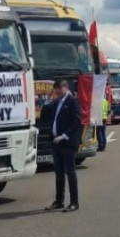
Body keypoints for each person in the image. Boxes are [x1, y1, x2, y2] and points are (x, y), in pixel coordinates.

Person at [41, 79, 82, 212]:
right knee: (59, 173)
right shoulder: (56, 102)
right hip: (56, 142)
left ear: (66, 87)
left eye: (59, 88)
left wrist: (64, 135)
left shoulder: (73, 102)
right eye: (55, 89)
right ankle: (59, 201)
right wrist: (47, 100)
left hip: (68, 142)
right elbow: (44, 116)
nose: (56, 91)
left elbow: (77, 121)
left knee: (70, 171)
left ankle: (74, 202)